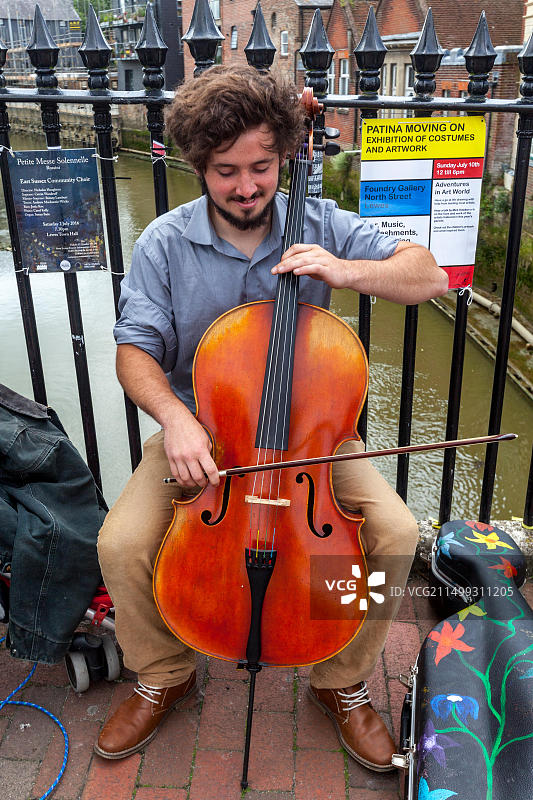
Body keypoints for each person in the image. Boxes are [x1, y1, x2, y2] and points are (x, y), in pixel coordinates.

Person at [95, 65, 448, 769]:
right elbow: (134, 352)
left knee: (394, 535)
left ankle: (341, 678)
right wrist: (176, 418)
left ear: (284, 154)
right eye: (225, 171)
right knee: (121, 543)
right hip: (207, 434)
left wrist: (346, 270)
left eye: (260, 166)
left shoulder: (319, 222)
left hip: (314, 441)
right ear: (200, 166)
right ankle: (164, 672)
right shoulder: (164, 242)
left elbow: (428, 275)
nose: (246, 186)